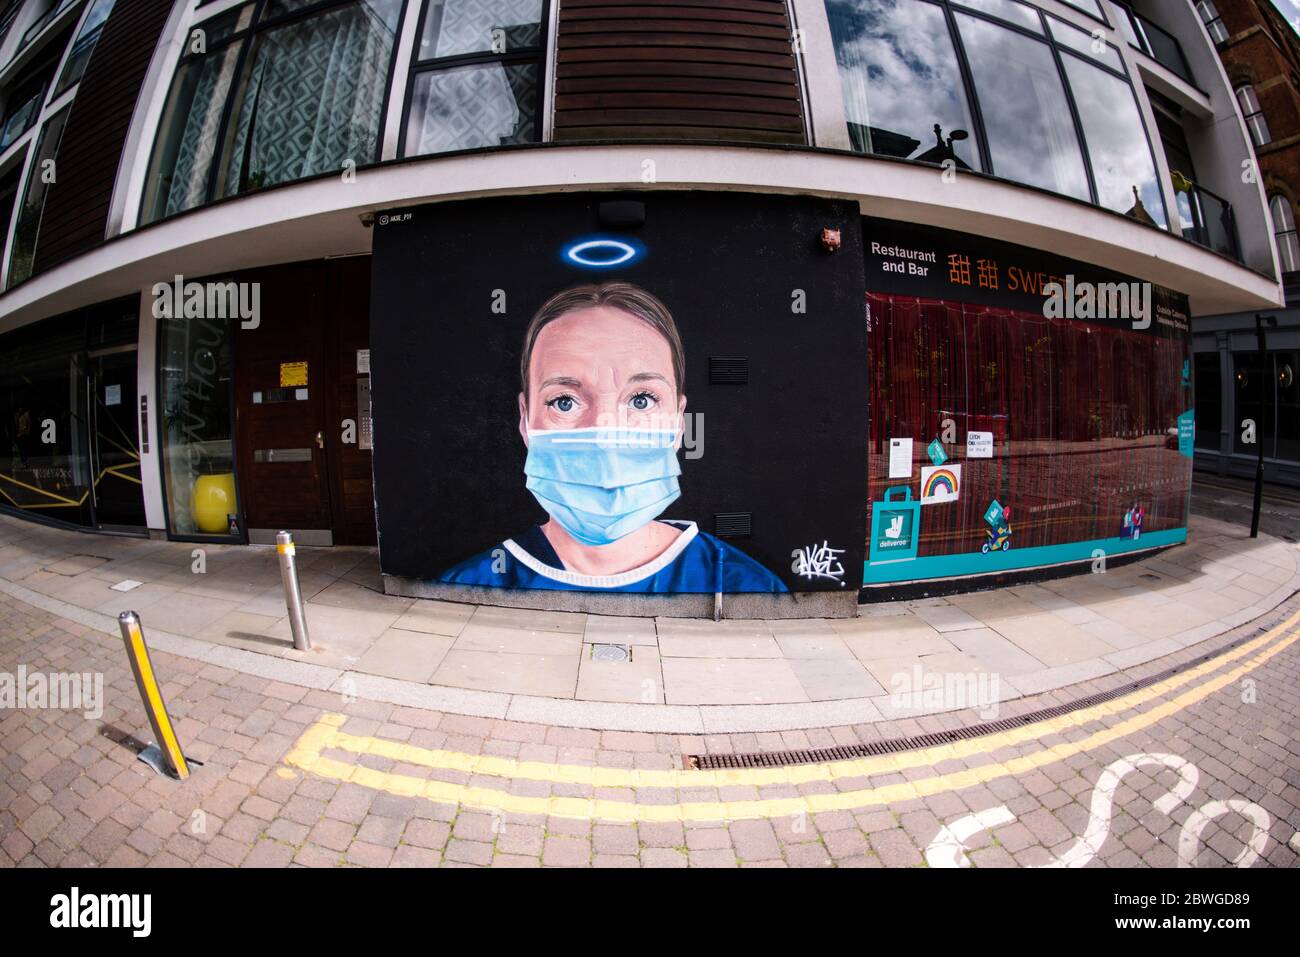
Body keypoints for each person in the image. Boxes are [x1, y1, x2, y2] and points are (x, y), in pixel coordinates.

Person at [441, 282, 787, 593]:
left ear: (679, 423)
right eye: (564, 402)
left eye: (641, 400)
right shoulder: (466, 588)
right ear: (525, 421)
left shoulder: (747, 588)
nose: (605, 436)